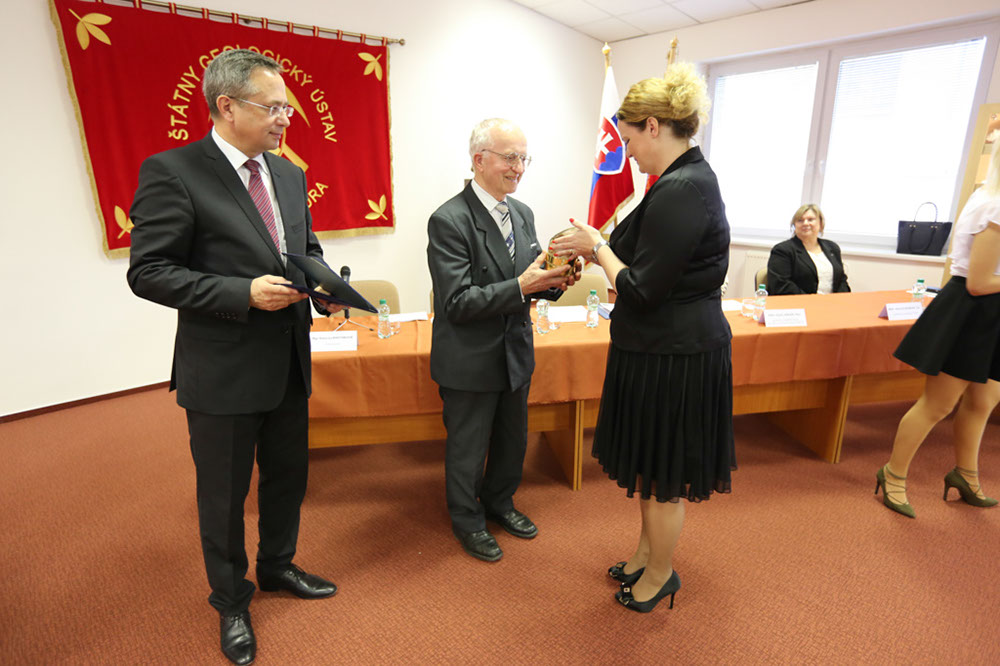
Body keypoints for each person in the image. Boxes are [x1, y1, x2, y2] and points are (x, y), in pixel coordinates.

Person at [127, 50, 339, 665]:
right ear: (226, 106)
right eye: (272, 108)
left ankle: (278, 566)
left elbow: (304, 248)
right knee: (223, 496)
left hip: (289, 360)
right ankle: (231, 600)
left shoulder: (288, 174)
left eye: (286, 108)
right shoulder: (173, 172)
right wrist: (241, 293)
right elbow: (149, 272)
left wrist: (327, 287)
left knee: (288, 477)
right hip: (221, 368)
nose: (285, 119)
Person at [551, 63, 734, 613]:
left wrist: (596, 247)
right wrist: (595, 247)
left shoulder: (683, 188)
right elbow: (637, 254)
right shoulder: (676, 182)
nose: (627, 154)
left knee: (663, 475)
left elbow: (642, 287)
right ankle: (644, 554)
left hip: (674, 355)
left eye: (629, 140)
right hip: (656, 348)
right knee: (650, 469)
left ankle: (660, 574)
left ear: (653, 127)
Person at [427, 118, 579, 562]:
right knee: (468, 449)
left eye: (524, 158)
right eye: (511, 158)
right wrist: (523, 286)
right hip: (469, 358)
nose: (519, 168)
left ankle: (500, 502)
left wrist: (556, 280)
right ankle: (467, 521)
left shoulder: (522, 213)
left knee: (513, 441)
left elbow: (530, 277)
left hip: (514, 351)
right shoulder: (449, 220)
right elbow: (456, 302)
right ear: (480, 160)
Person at [876, 140, 1000, 519]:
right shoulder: (994, 205)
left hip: (991, 314)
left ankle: (966, 475)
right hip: (972, 312)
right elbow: (978, 282)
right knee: (938, 405)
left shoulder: (988, 197)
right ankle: (892, 474)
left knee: (982, 402)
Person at [766, 204, 850, 295]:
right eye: (800, 220)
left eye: (810, 219)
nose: (805, 223)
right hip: (800, 301)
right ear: (794, 225)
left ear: (820, 223)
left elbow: (841, 280)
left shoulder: (832, 247)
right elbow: (781, 285)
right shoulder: (782, 250)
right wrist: (812, 300)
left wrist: (840, 298)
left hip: (833, 301)